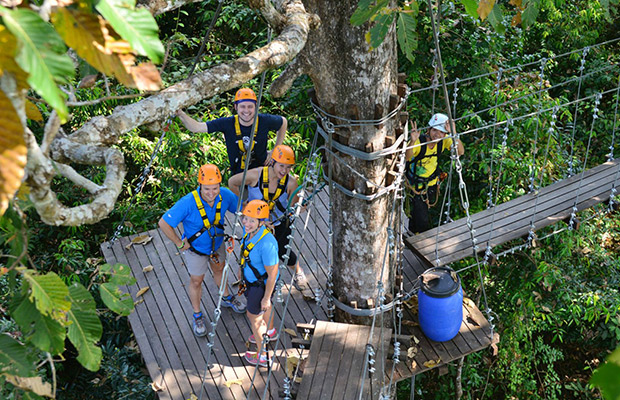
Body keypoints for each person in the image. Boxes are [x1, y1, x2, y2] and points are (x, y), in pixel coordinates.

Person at [158, 164, 246, 338]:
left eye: (215, 188)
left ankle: (227, 297)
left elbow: (243, 212)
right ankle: (197, 314)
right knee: (197, 280)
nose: (211, 193)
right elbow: (164, 223)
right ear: (200, 185)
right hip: (196, 249)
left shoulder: (226, 196)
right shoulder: (188, 203)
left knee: (219, 270)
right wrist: (178, 243)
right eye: (207, 189)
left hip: (217, 244)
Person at [228, 144, 308, 291]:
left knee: (283, 251)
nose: (284, 171)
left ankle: (298, 272)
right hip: (255, 223)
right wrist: (244, 203)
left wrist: (299, 208)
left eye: (288, 167)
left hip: (278, 223)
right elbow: (232, 182)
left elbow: (293, 205)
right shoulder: (256, 176)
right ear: (273, 162)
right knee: (250, 250)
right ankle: (246, 276)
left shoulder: (290, 183)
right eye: (281, 166)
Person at [176, 88, 288, 175]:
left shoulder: (264, 120)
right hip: (239, 175)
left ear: (256, 107)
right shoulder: (228, 123)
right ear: (236, 107)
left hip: (263, 171)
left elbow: (283, 122)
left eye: (250, 107)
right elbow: (197, 127)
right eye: (242, 107)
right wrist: (180, 114)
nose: (246, 111)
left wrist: (276, 150)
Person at [405, 113, 465, 234]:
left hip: (432, 185)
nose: (437, 135)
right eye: (434, 130)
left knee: (423, 215)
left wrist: (454, 134)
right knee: (422, 221)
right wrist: (412, 142)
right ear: (429, 130)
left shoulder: (444, 141)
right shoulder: (418, 142)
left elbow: (460, 152)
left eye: (441, 132)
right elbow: (407, 157)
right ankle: (418, 240)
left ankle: (412, 232)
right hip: (416, 187)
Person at [238, 200, 280, 367]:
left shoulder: (267, 244)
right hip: (252, 279)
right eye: (245, 218)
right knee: (263, 312)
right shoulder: (249, 232)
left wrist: (266, 298)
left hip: (261, 285)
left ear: (261, 222)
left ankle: (263, 355)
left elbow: (272, 275)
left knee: (253, 317)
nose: (246, 223)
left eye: (251, 221)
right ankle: (269, 331)